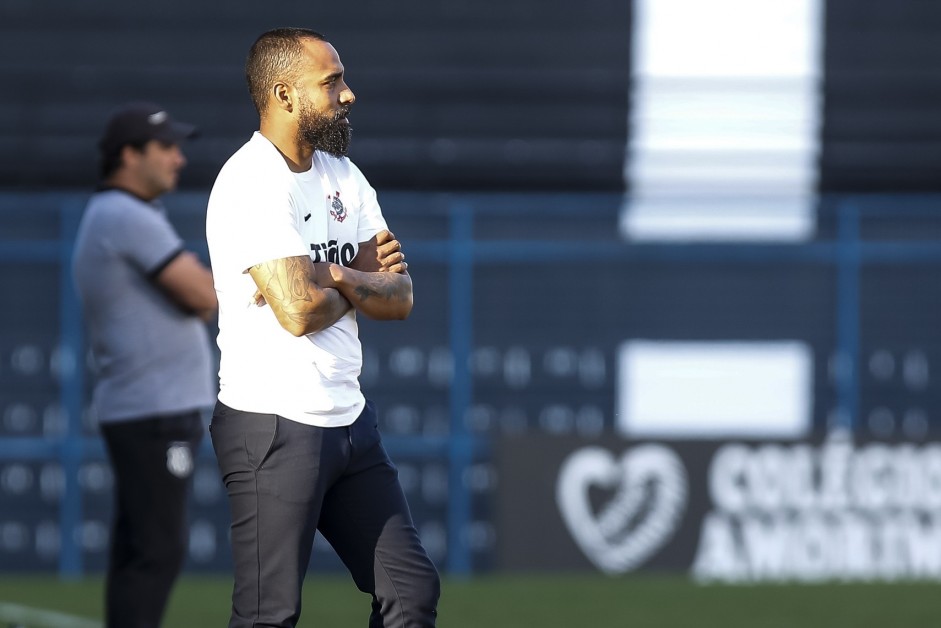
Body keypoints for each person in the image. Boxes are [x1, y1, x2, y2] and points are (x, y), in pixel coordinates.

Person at [205, 27, 440, 627]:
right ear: (284, 95)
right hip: (274, 426)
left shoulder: (344, 175)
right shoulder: (250, 181)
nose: (348, 94)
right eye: (331, 82)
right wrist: (356, 278)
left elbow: (401, 297)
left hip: (350, 423)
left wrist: (329, 277)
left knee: (411, 594)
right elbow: (298, 313)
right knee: (268, 616)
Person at [72, 102, 218, 628]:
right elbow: (204, 293)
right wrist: (203, 291)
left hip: (144, 409)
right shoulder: (126, 214)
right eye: (167, 148)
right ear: (130, 156)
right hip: (155, 412)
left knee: (140, 548)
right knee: (158, 549)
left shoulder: (119, 213)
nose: (179, 159)